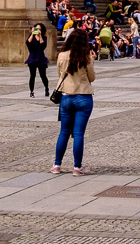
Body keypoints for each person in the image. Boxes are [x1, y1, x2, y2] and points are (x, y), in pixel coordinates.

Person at [52, 27, 96, 175]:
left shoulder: (62, 55)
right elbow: (92, 78)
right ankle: (77, 167)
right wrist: (92, 61)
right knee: (78, 133)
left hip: (66, 97)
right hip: (83, 96)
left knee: (64, 131)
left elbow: (60, 74)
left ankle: (57, 165)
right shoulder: (86, 56)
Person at [26, 23, 50, 97]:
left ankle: (46, 88)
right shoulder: (31, 37)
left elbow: (43, 46)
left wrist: (40, 36)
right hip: (32, 58)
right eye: (36, 29)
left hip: (41, 58)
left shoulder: (43, 37)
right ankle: (31, 91)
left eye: (39, 29)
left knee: (43, 75)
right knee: (32, 75)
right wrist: (32, 34)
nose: (38, 30)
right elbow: (28, 43)